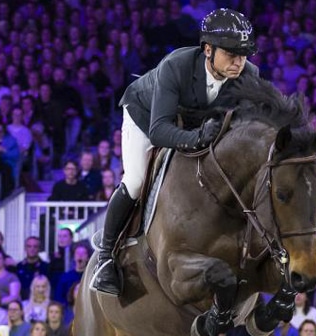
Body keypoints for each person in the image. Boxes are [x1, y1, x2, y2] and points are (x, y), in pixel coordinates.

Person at [91, 9, 260, 295]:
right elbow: (159, 131)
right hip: (146, 117)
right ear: (208, 49)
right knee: (135, 180)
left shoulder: (249, 75)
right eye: (231, 53)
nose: (239, 61)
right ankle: (106, 257)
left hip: (194, 123)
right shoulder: (177, 65)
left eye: (244, 54)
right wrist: (196, 139)